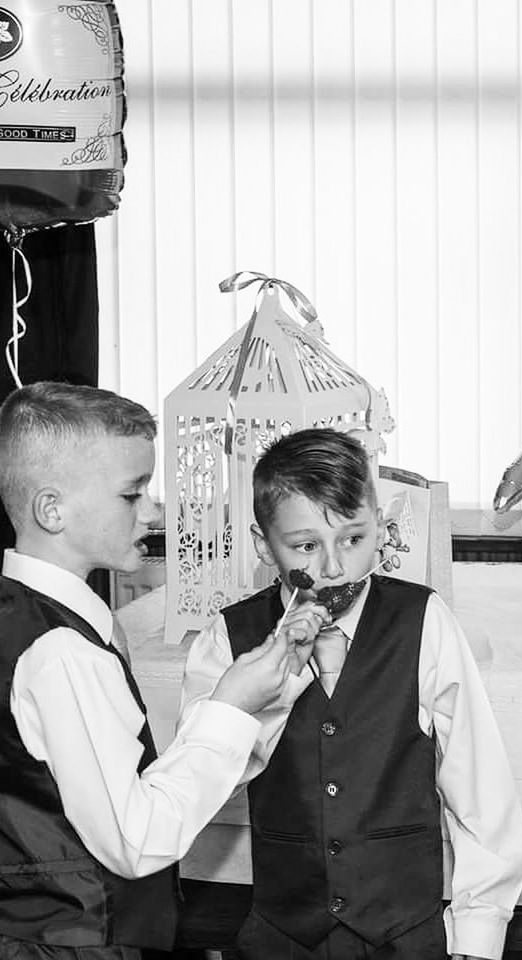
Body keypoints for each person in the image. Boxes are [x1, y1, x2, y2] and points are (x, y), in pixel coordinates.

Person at [0, 381, 323, 959]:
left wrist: (252, 704)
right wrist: (228, 708)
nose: (151, 510)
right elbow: (136, 838)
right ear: (53, 509)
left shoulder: (27, 616)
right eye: (132, 494)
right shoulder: (62, 656)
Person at [180, 427, 522, 960]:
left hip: (406, 936)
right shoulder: (226, 640)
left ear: (381, 529)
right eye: (305, 546)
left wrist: (479, 932)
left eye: (353, 538)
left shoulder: (424, 621)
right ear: (262, 545)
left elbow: (480, 786)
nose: (334, 567)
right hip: (281, 937)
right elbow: (201, 782)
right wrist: (278, 677)